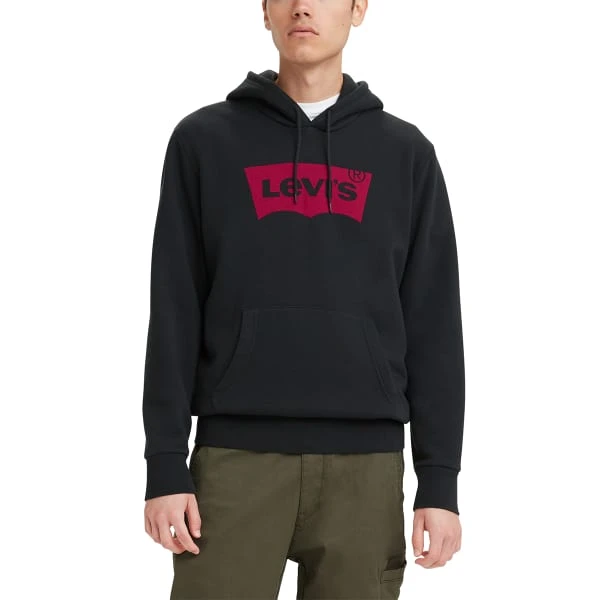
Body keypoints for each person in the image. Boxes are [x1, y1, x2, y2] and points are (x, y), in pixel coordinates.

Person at [142, 0, 465, 598]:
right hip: (233, 460)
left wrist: (439, 481)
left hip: (364, 468)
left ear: (358, 8)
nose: (302, 7)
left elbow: (434, 325)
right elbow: (174, 309)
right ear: (264, 11)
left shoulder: (405, 154)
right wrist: (164, 462)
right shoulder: (203, 141)